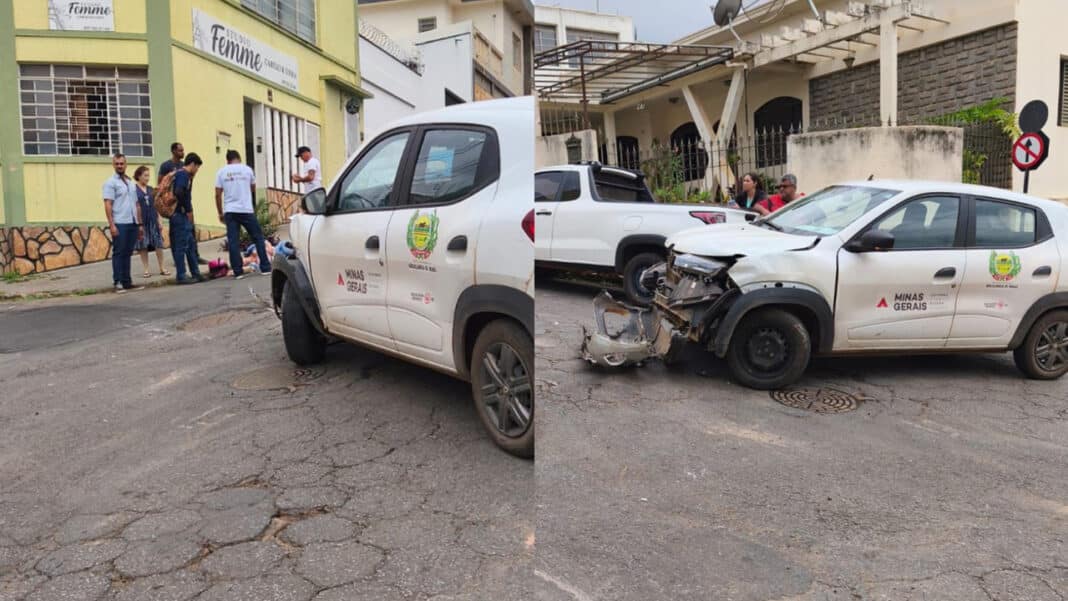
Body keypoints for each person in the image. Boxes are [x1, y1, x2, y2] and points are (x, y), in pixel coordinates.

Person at [215, 150, 270, 279]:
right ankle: (265, 267)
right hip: (246, 210)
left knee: (233, 241)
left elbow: (217, 194)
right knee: (258, 238)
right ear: (239, 158)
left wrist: (220, 212)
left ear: (227, 160)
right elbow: (252, 188)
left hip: (230, 210)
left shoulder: (221, 172)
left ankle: (238, 271)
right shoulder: (247, 170)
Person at [102, 153, 143, 293]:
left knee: (128, 252)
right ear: (114, 165)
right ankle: (118, 281)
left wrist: (140, 224)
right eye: (117, 163)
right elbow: (108, 204)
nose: (120, 166)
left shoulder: (131, 183)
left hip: (132, 222)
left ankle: (127, 281)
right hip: (120, 222)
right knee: (119, 252)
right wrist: (112, 224)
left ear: (126, 164)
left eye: (122, 163)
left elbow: (137, 204)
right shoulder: (111, 183)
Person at [170, 153, 206, 284]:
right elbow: (179, 192)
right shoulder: (183, 175)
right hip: (180, 215)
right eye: (197, 167)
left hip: (182, 215)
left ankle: (195, 273)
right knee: (181, 246)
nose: (197, 170)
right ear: (192, 164)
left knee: (190, 245)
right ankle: (181, 275)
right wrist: (187, 208)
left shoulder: (184, 175)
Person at [131, 165, 170, 278]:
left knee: (158, 243)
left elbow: (156, 205)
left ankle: (162, 267)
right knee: (143, 245)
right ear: (139, 176)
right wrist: (138, 223)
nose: (147, 178)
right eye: (145, 175)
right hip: (142, 221)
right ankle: (146, 269)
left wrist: (160, 220)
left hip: (153, 220)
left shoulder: (151, 189)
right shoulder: (134, 190)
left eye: (148, 175)